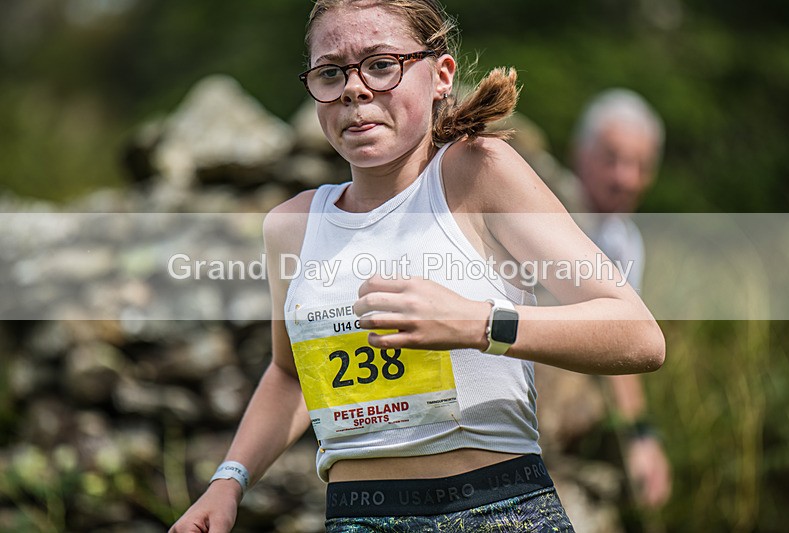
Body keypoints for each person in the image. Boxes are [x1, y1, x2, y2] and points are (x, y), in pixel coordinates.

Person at [170, 2, 665, 532]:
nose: (355, 89)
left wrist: (477, 323)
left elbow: (638, 335)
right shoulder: (291, 227)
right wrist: (228, 482)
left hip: (496, 512)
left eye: (381, 65)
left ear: (441, 75)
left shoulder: (479, 173)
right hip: (355, 519)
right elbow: (291, 376)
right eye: (331, 72)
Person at [571, 89, 673, 512]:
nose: (625, 178)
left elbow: (622, 344)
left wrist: (642, 437)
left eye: (640, 165)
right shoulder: (546, 212)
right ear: (580, 155)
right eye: (611, 159)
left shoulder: (624, 239)